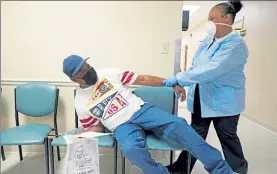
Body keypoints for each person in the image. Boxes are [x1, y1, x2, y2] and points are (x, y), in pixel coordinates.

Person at [63, 55, 235, 174]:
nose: (87, 70)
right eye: (81, 71)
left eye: (87, 66)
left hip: (141, 111)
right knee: (131, 149)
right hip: (120, 126)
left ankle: (221, 170)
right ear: (73, 79)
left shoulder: (108, 73)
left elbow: (143, 79)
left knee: (179, 125)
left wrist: (169, 83)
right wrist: (85, 132)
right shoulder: (80, 102)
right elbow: (97, 126)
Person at [164, 1, 248, 174]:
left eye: (212, 18)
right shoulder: (208, 40)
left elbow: (211, 69)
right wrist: (182, 81)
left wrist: (178, 78)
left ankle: (238, 170)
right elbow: (196, 66)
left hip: (225, 102)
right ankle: (182, 168)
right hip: (202, 98)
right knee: (195, 136)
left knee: (227, 137)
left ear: (226, 18)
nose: (209, 21)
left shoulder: (235, 44)